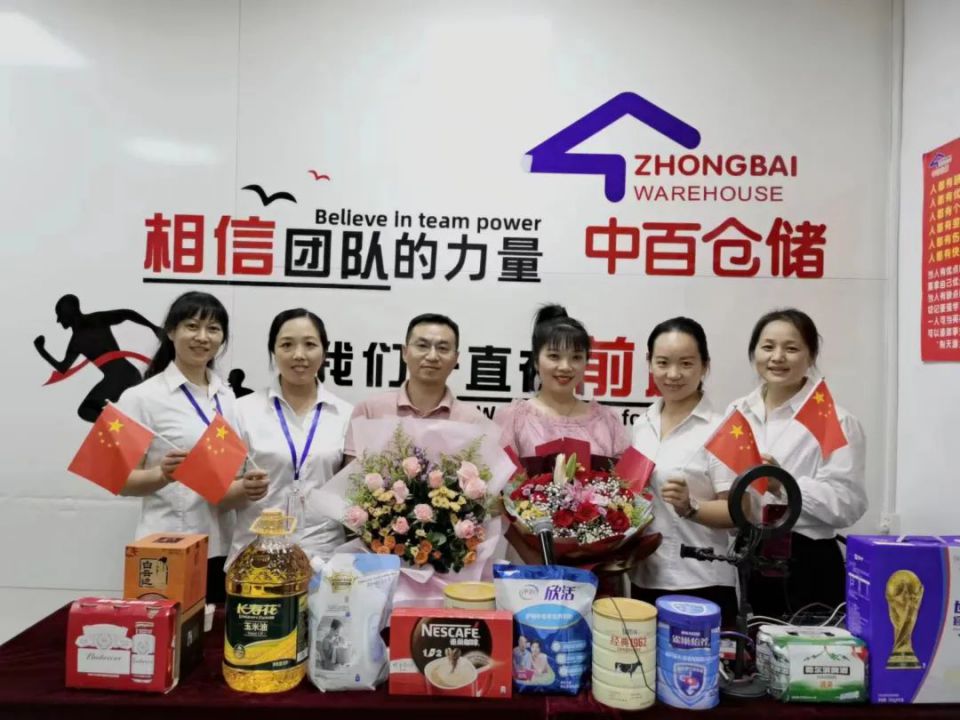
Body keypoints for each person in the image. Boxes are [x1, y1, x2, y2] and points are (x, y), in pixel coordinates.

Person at [116, 291, 268, 603]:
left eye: (213, 329)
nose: (202, 337)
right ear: (171, 332)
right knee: (167, 632)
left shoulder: (227, 397)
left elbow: (218, 488)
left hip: (221, 548)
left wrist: (246, 488)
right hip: (165, 546)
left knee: (214, 631)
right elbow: (120, 480)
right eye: (192, 326)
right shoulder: (140, 397)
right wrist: (161, 475)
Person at [732, 308, 867, 619]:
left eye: (791, 348)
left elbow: (849, 503)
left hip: (806, 562)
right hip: (749, 554)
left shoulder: (834, 420)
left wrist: (784, 484)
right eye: (768, 347)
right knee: (748, 645)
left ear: (811, 355)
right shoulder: (738, 412)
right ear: (754, 353)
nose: (777, 357)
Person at [497, 305, 629, 563]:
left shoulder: (608, 421)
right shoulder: (513, 419)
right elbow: (498, 499)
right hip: (529, 560)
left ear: (587, 362)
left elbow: (627, 494)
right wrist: (531, 553)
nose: (565, 367)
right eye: (554, 356)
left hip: (596, 563)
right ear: (536, 360)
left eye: (576, 357)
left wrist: (600, 551)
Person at [629, 317, 738, 626]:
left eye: (686, 363)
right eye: (662, 362)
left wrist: (691, 506)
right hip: (644, 577)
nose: (673, 374)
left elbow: (739, 511)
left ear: (705, 366)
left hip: (702, 582)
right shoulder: (642, 425)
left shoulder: (724, 429)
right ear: (650, 363)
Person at [228, 309, 353, 566]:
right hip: (257, 558)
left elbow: (351, 494)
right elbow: (217, 492)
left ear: (325, 351)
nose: (299, 355)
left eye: (310, 344)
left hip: (325, 557)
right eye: (287, 345)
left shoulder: (346, 414)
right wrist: (242, 489)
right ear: (273, 351)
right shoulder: (241, 410)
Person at [343, 313, 487, 460]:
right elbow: (352, 471)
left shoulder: (473, 421)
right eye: (422, 346)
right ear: (405, 353)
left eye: (443, 348)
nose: (432, 356)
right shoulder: (370, 411)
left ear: (456, 359)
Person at [34, 294, 161, 421]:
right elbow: (63, 368)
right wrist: (41, 350)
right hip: (128, 375)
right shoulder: (79, 338)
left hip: (118, 379)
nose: (59, 321)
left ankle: (123, 426)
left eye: (60, 316)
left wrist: (153, 328)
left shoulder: (93, 323)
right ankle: (123, 426)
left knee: (87, 410)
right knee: (94, 409)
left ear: (68, 313)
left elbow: (127, 314)